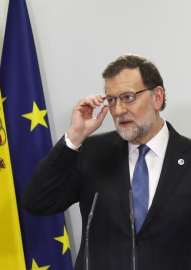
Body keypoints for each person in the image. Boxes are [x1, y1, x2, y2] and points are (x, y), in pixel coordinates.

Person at [22, 55, 191, 270]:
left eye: (128, 97)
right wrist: (74, 138)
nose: (119, 110)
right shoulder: (91, 152)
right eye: (111, 100)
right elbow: (37, 202)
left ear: (157, 97)